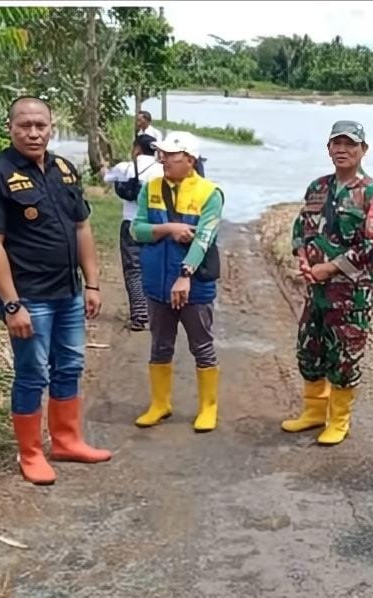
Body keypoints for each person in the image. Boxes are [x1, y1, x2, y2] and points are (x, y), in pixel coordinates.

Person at [0, 96, 112, 486]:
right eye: (25, 125)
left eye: (41, 126)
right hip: (28, 296)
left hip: (68, 291)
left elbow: (82, 227)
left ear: (51, 128)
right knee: (32, 372)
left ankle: (66, 441)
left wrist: (92, 283)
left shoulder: (63, 169)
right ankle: (31, 453)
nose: (33, 133)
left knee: (69, 366)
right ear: (10, 127)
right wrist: (11, 304)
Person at [280, 120, 373, 446]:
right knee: (309, 350)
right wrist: (302, 257)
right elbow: (301, 227)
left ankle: (339, 420)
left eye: (350, 144)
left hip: (351, 295)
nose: (342, 150)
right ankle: (314, 412)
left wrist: (331, 267)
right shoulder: (317, 187)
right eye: (337, 143)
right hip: (316, 291)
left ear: (363, 150)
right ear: (328, 148)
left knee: (344, 357)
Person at [130, 131, 224, 433]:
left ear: (190, 160)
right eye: (163, 154)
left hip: (194, 285)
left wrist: (185, 276)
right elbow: (136, 230)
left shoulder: (210, 193)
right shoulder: (151, 188)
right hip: (157, 282)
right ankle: (160, 404)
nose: (164, 159)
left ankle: (208, 407)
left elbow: (204, 239)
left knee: (202, 346)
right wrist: (169, 228)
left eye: (171, 155)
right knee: (159, 345)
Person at [101, 134, 163, 331]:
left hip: (131, 224)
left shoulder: (124, 167)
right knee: (154, 268)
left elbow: (106, 177)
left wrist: (104, 167)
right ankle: (157, 313)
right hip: (156, 227)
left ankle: (140, 315)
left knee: (133, 270)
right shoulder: (162, 170)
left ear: (136, 148)